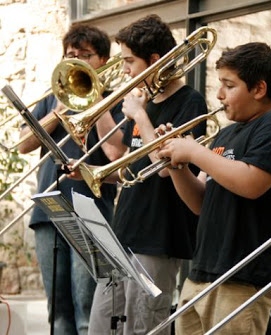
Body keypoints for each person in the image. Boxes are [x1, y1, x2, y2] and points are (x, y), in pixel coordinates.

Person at [157, 42, 271, 334]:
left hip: (244, 276)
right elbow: (200, 202)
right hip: (203, 271)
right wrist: (178, 165)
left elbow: (251, 184)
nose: (219, 95)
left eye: (229, 85)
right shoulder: (226, 133)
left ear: (259, 89)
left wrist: (194, 152)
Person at [83, 15, 207, 335]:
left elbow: (164, 166)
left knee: (143, 327)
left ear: (154, 60)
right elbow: (131, 166)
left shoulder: (190, 102)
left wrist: (139, 114)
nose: (125, 71)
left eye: (129, 61)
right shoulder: (146, 101)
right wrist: (91, 172)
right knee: (100, 325)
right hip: (125, 231)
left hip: (159, 236)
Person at [18, 25, 126, 335]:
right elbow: (24, 143)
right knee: (58, 312)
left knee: (86, 309)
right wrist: (58, 112)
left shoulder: (116, 101)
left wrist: (97, 100)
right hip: (48, 210)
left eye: (85, 55)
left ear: (103, 60)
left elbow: (115, 150)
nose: (75, 60)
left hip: (90, 211)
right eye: (70, 55)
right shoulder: (54, 96)